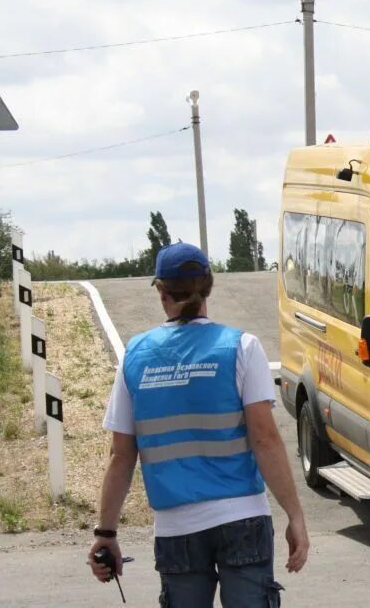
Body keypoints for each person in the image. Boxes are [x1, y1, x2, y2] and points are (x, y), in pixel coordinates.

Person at [88, 242, 308, 607]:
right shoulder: (241, 348)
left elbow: (121, 457)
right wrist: (295, 514)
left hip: (177, 529)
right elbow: (266, 441)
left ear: (161, 292)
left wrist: (106, 532)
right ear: (208, 286)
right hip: (243, 519)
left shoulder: (136, 358)